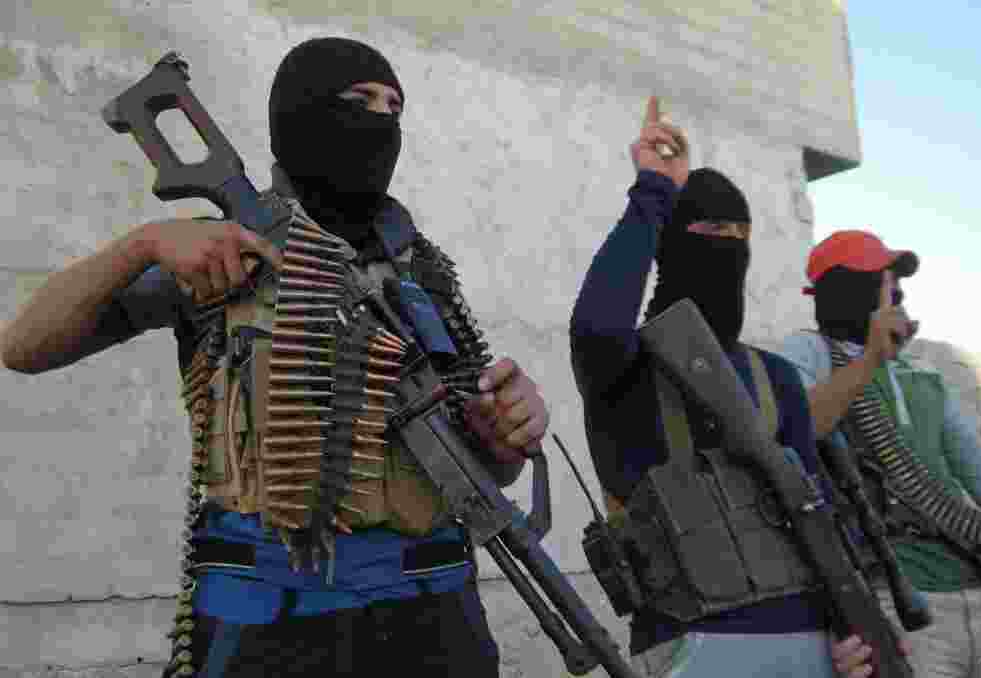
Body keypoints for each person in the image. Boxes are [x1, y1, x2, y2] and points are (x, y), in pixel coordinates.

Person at [0, 37, 550, 677]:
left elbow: (482, 469)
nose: (382, 121)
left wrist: (506, 434)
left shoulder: (423, 270)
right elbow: (23, 346)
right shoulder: (230, 252)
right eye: (360, 100)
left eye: (395, 106)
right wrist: (146, 244)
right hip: (272, 619)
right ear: (299, 114)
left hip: (433, 614)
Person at [569, 97, 878, 677]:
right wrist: (653, 192)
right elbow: (596, 321)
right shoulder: (624, 364)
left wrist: (848, 634)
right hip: (689, 640)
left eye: (741, 231)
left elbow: (814, 516)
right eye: (711, 229)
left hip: (809, 640)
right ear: (671, 240)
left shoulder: (775, 376)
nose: (728, 242)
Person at [780, 229, 981, 678]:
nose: (897, 295)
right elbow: (797, 428)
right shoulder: (807, 352)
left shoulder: (922, 373)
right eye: (885, 282)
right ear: (851, 289)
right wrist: (870, 357)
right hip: (908, 606)